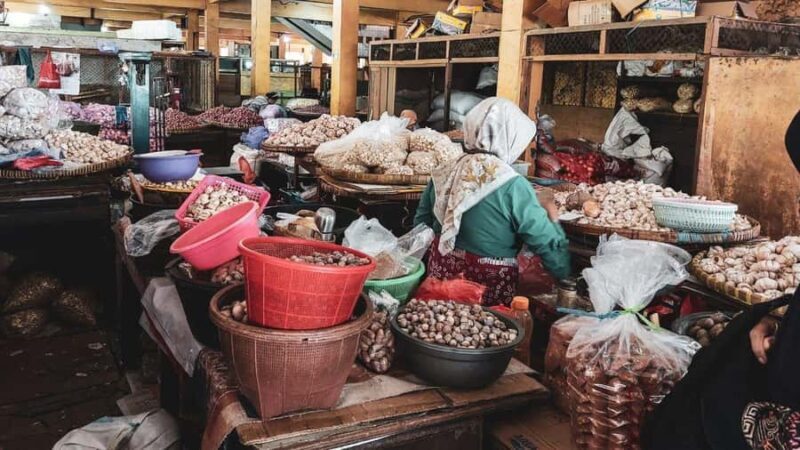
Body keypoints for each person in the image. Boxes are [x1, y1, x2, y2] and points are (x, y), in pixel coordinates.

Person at [414, 98, 571, 306]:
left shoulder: (445, 172)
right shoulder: (513, 185)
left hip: (440, 286)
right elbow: (545, 241)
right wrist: (565, 276)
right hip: (487, 293)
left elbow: (421, 225)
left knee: (439, 323)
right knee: (485, 326)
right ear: (510, 139)